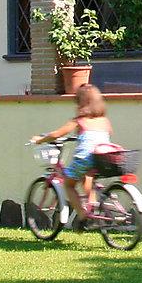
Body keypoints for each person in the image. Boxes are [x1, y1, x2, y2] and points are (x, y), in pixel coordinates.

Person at [32, 83, 113, 215]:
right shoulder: (104, 121)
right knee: (86, 177)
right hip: (103, 159)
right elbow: (107, 134)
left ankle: (82, 216)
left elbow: (56, 134)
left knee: (69, 184)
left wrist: (39, 140)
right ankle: (92, 206)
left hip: (85, 159)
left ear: (81, 103)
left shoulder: (79, 120)